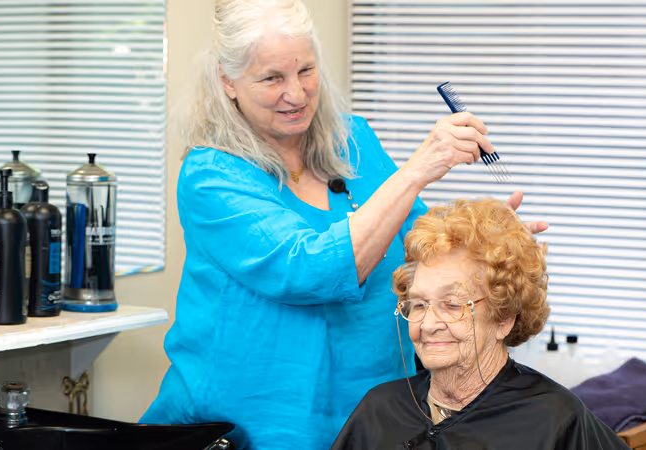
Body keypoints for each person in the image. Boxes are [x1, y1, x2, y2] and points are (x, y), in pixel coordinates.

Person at [141, 1, 548, 448]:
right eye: (272, 78)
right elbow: (308, 270)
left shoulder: (351, 139)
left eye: (306, 71)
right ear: (227, 81)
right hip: (255, 420)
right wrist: (416, 171)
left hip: (370, 408)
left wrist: (488, 249)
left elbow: (417, 242)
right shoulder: (212, 177)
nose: (296, 94)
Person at [331, 198, 630, 450]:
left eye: (452, 305)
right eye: (419, 304)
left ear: (503, 318)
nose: (430, 323)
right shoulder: (380, 410)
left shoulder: (555, 419)